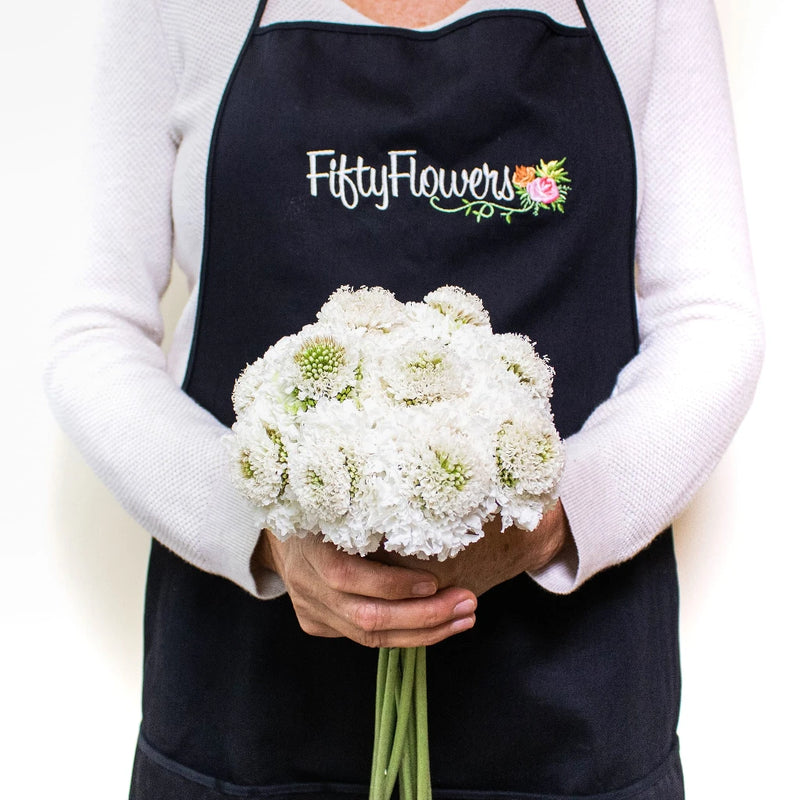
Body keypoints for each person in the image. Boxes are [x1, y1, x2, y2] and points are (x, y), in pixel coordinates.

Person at [45, 0, 764, 798]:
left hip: (571, 715)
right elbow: (93, 329)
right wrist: (261, 532)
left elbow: (710, 320)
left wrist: (553, 516)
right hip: (245, 706)